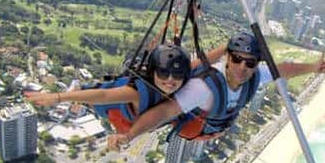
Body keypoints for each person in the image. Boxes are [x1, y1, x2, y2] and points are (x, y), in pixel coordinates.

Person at [107, 31, 325, 149]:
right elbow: (164, 112)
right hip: (196, 131)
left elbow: (281, 69)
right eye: (237, 59)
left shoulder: (255, 75)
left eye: (250, 63)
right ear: (227, 58)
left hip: (217, 128)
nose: (243, 67)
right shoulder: (203, 88)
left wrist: (313, 68)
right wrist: (129, 136)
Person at [24, 43, 224, 133]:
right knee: (103, 90)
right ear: (153, 73)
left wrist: (229, 47)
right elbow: (103, 95)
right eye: (163, 74)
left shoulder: (182, 77)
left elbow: (204, 61)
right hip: (114, 112)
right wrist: (58, 97)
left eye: (177, 75)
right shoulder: (138, 91)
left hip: (145, 113)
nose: (170, 80)